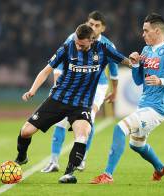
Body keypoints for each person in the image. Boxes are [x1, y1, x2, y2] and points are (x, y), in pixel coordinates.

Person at [14, 24, 132, 184]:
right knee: (26, 131)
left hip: (81, 104)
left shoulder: (103, 49)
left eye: (81, 45)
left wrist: (137, 61)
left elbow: (126, 61)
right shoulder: (67, 48)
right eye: (77, 42)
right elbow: (46, 70)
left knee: (83, 134)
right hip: (58, 99)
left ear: (91, 41)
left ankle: (69, 173)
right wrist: (33, 90)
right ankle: (22, 157)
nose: (77, 46)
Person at [91, 13, 164, 184]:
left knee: (119, 128)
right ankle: (160, 168)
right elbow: (137, 81)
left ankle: (107, 175)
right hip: (144, 105)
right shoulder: (146, 50)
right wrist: (135, 63)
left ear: (157, 31)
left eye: (146, 30)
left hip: (156, 109)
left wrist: (162, 81)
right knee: (136, 145)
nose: (143, 34)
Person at [41, 11, 119, 173]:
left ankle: (81, 159)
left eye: (97, 25)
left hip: (97, 87)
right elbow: (61, 63)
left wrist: (115, 91)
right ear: (87, 23)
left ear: (103, 28)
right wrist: (57, 86)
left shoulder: (107, 46)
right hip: (72, 85)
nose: (93, 27)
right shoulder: (73, 39)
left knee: (87, 120)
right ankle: (54, 160)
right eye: (91, 24)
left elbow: (113, 71)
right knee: (60, 120)